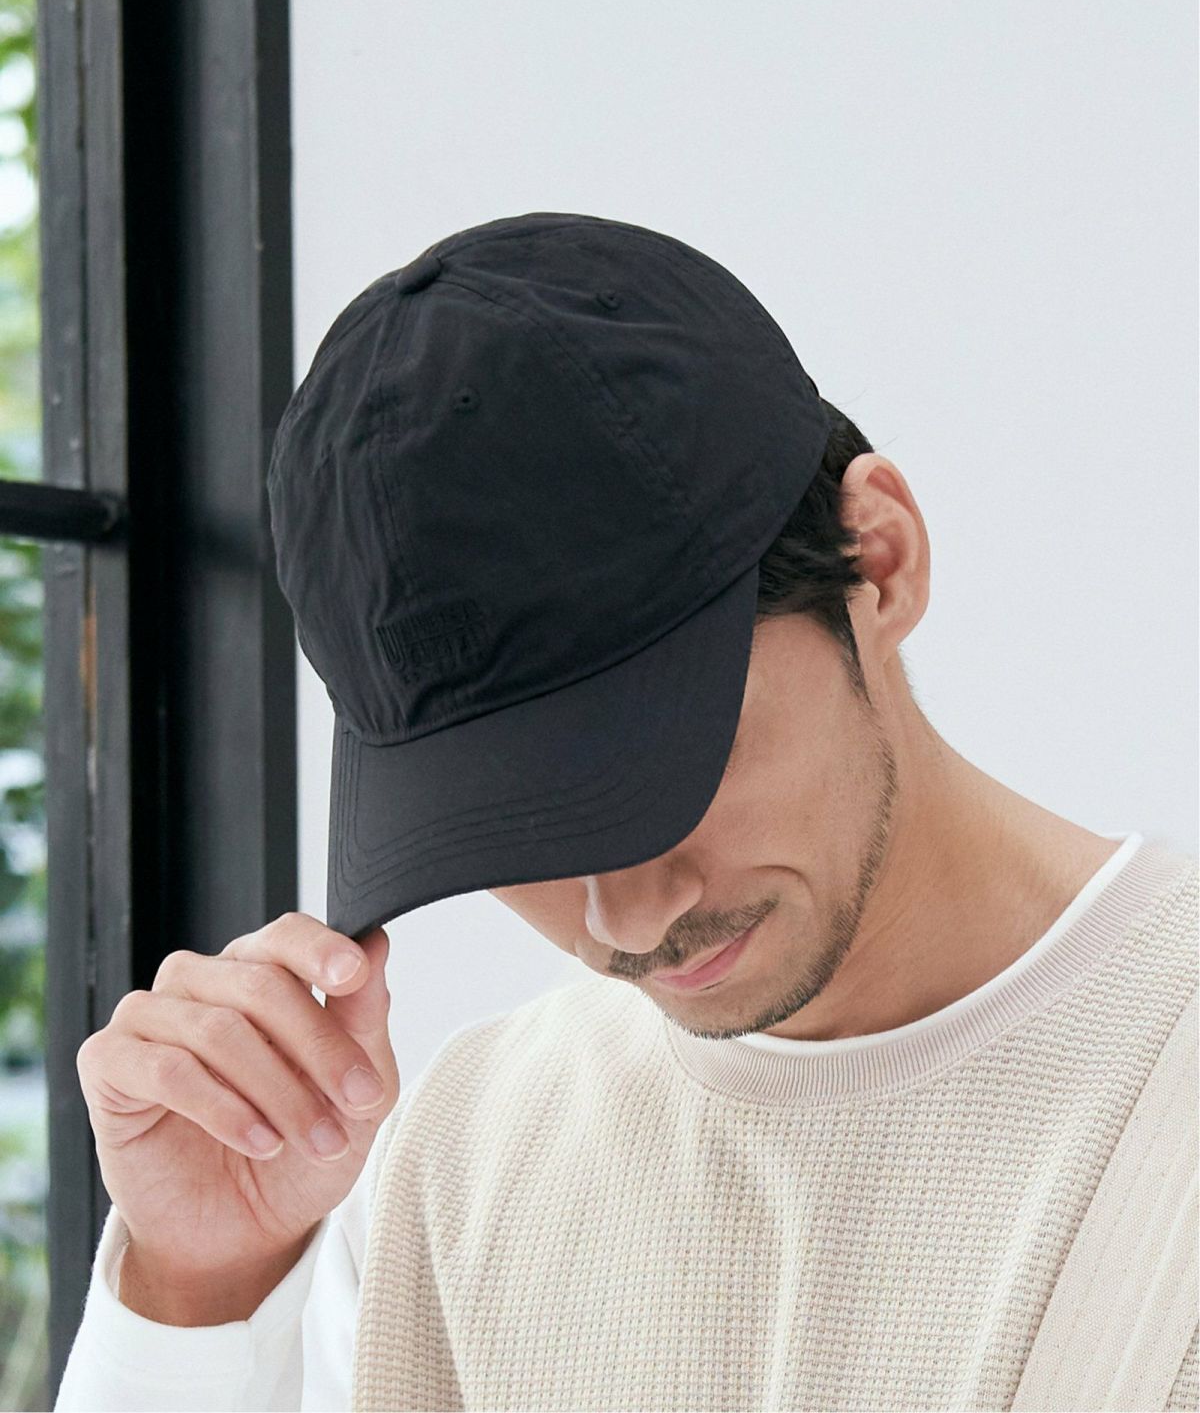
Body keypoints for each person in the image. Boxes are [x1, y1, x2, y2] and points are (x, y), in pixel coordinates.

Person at [54, 212, 1199, 1412]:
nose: (627, 918)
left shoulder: (1161, 1078)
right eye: (514, 829)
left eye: (663, 768)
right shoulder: (467, 1158)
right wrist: (197, 1287)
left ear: (878, 561)